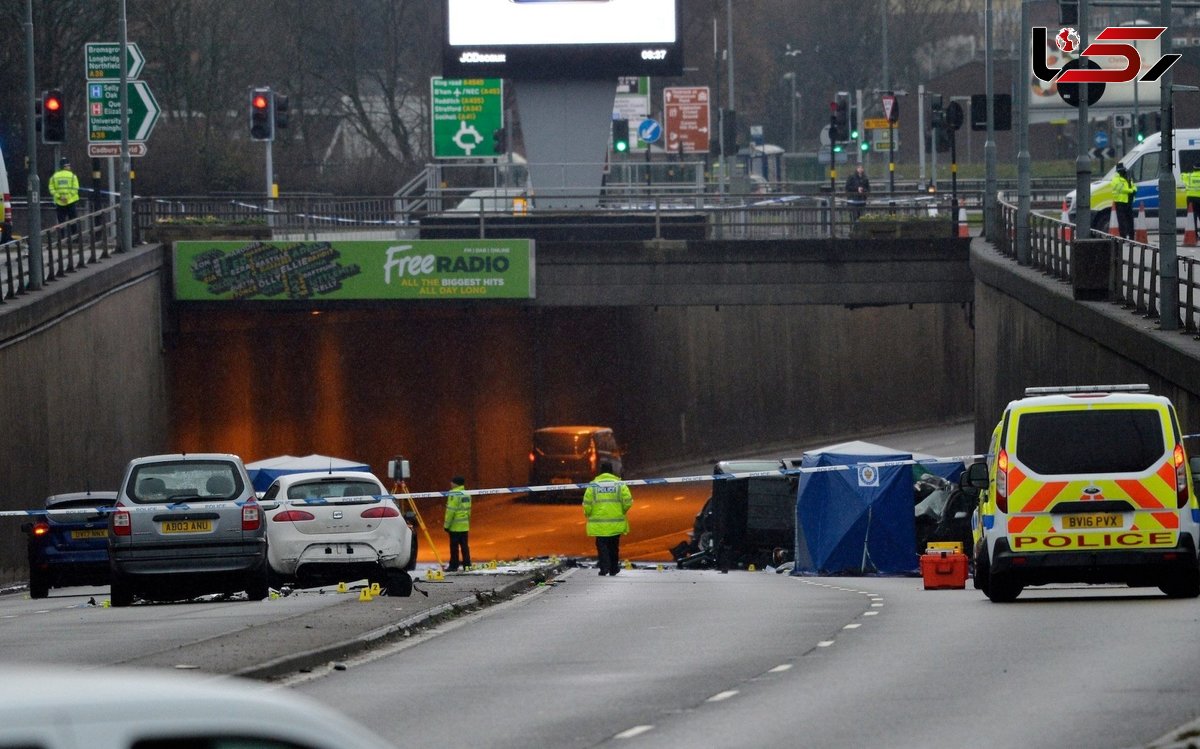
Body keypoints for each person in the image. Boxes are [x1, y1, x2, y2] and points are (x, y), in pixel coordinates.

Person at [582, 460, 633, 576]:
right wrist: (622, 511)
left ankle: (604, 568)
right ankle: (614, 568)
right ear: (611, 471)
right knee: (614, 547)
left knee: (602, 547)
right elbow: (628, 501)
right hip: (616, 522)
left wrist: (588, 514)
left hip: (599, 523)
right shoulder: (619, 484)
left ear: (601, 471)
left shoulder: (594, 485)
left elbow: (587, 503)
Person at [443, 476, 471, 572]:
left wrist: (446, 525)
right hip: (464, 525)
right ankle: (467, 565)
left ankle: (454, 565)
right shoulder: (466, 493)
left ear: (456, 483)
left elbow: (451, 511)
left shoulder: (454, 494)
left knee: (454, 548)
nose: (450, 484)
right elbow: (468, 510)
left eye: (452, 482)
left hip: (455, 526)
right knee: (465, 547)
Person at [48, 158, 80, 231]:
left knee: (61, 222)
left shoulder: (54, 176)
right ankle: (74, 239)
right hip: (71, 202)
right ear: (65, 166)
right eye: (69, 166)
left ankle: (61, 239)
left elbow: (51, 189)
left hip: (59, 202)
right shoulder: (72, 176)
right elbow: (75, 189)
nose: (70, 167)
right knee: (73, 221)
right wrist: (67, 197)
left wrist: (59, 197)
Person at [1110, 163, 1137, 240]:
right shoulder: (1116, 179)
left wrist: (1134, 189)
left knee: (1130, 220)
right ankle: (1123, 237)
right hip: (1120, 202)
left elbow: (1133, 185)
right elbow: (1122, 189)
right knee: (1122, 220)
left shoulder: (1127, 177)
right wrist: (1131, 190)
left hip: (1128, 201)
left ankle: (1131, 236)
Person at [1185, 163, 1200, 234]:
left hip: (1191, 199)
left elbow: (1181, 177)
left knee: (1192, 217)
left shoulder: (1188, 176)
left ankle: (1195, 235)